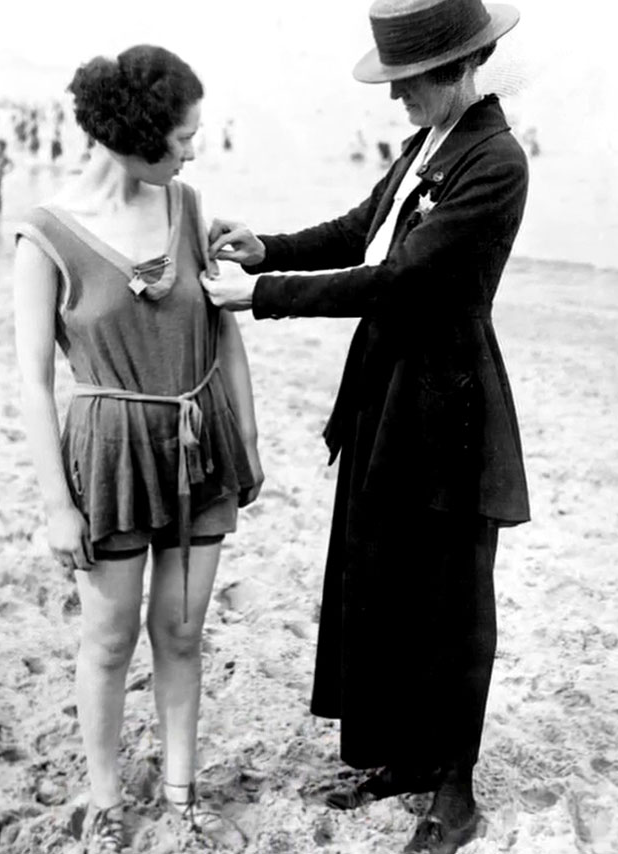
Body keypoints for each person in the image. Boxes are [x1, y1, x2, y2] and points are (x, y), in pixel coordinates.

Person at [204, 1, 529, 852]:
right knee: (382, 576)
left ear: (461, 67)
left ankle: (453, 792)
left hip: (450, 403)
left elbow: (396, 279)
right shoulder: (429, 145)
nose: (397, 101)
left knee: (454, 601)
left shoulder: (494, 161)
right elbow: (359, 231)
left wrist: (261, 301)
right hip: (390, 393)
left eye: (409, 83)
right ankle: (405, 758)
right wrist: (264, 251)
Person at [13, 45, 263, 854]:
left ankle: (182, 791)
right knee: (111, 638)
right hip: (111, 456)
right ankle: (107, 798)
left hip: (200, 447)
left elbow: (224, 333)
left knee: (183, 632)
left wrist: (248, 440)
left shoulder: (188, 207)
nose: (193, 151)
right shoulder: (45, 234)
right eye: (183, 137)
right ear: (140, 134)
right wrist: (58, 507)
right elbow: (34, 384)